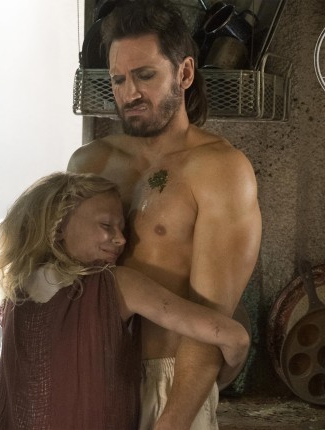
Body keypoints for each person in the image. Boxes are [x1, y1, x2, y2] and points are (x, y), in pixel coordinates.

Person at [67, 1, 262, 429]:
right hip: (91, 376)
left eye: (145, 75)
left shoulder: (220, 170)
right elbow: (64, 284)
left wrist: (172, 420)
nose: (130, 93)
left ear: (185, 73)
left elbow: (211, 319)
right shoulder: (89, 164)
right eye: (119, 79)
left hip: (169, 381)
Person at [0, 172, 249, 430]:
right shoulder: (117, 284)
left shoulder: (12, 295)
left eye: (122, 228)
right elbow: (235, 337)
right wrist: (218, 382)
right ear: (58, 226)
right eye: (106, 225)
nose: (122, 240)